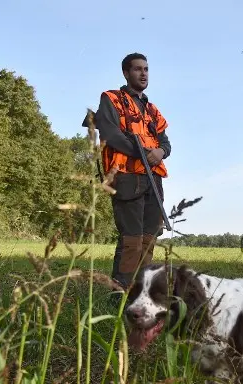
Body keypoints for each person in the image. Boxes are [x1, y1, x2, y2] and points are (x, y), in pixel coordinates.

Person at [94, 52, 172, 290]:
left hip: (153, 178)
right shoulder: (111, 98)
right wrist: (143, 153)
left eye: (146, 69)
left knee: (149, 239)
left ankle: (141, 290)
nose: (143, 73)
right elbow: (111, 134)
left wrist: (159, 152)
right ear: (126, 73)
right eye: (138, 69)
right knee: (131, 240)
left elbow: (165, 142)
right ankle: (120, 292)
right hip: (126, 177)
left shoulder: (152, 110)